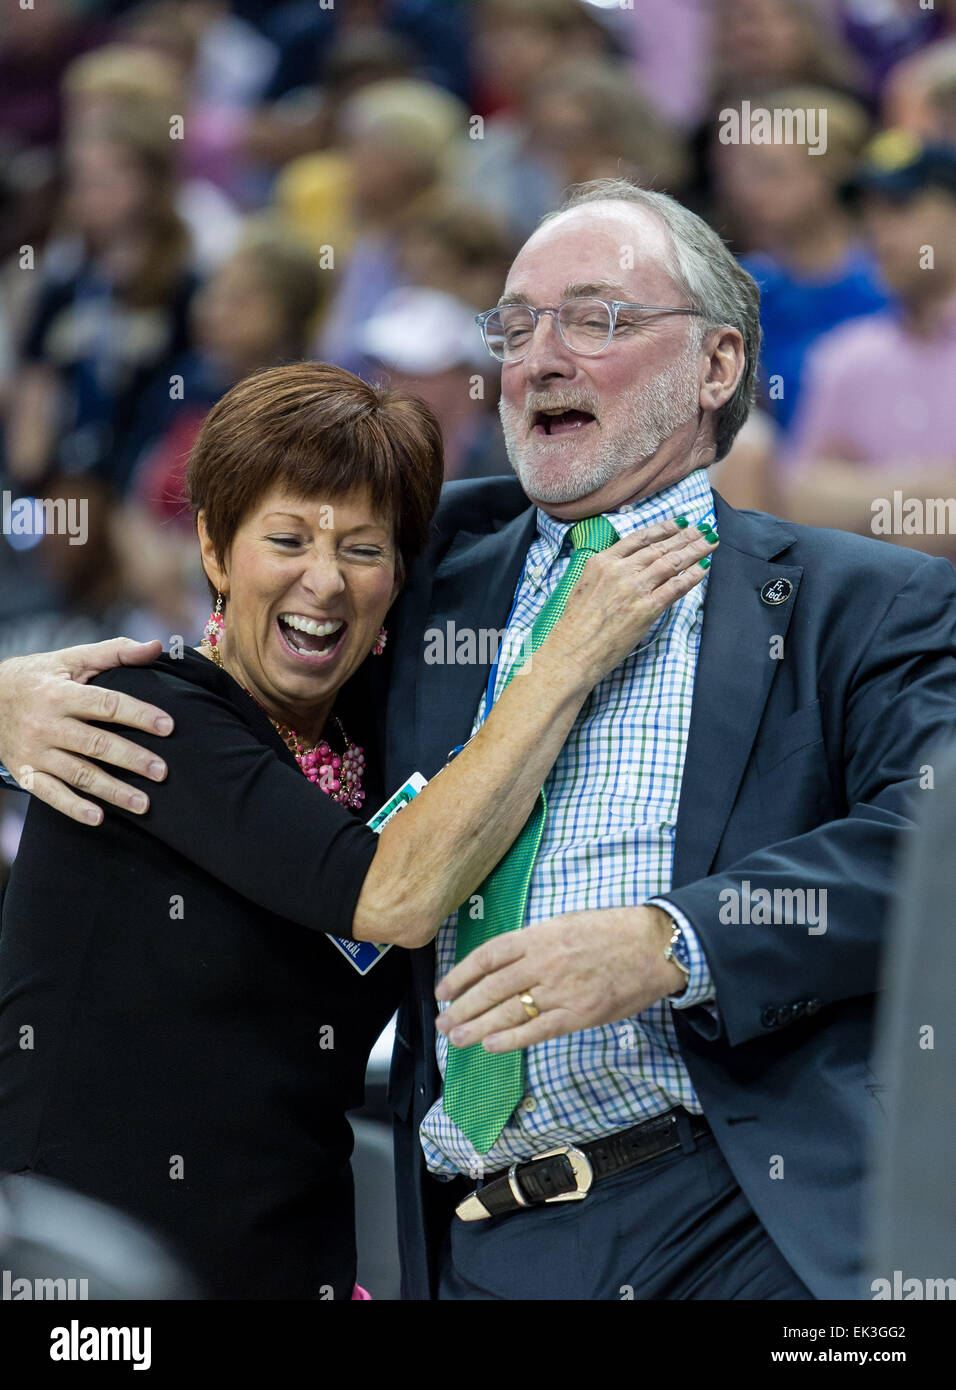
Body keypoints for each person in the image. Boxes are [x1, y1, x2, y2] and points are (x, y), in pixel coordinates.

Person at [3, 178, 955, 1301]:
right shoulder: (424, 568)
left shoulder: (865, 599)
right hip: (468, 1237)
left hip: (738, 1212)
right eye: (513, 326)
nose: (538, 356)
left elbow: (928, 843)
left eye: (594, 319)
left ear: (715, 366)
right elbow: (274, 633)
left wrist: (674, 941)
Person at [0, 359, 715, 1300]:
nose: (324, 581)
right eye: (286, 538)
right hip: (96, 1281)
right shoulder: (151, 714)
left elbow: (509, 522)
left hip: (297, 1259)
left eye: (365, 550)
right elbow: (394, 896)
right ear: (214, 548)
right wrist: (566, 655)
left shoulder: (374, 731)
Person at [784, 131, 956, 563]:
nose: (878, 232)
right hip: (879, 610)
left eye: (900, 210)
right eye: (869, 215)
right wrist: (926, 489)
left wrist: (864, 500)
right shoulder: (845, 353)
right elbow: (800, 502)